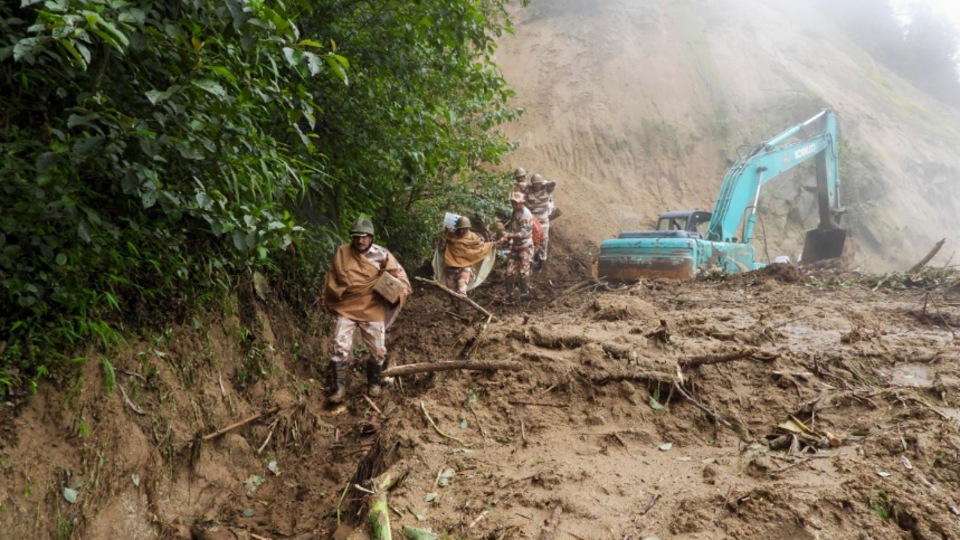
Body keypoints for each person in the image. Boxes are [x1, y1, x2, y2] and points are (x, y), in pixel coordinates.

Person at [322, 218, 411, 403]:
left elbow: (401, 279)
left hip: (372, 307)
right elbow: (333, 278)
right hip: (348, 306)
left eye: (364, 237)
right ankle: (339, 389)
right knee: (340, 347)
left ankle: (374, 382)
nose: (360, 241)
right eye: (356, 237)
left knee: (379, 352)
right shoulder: (342, 252)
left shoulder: (383, 255)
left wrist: (392, 287)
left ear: (371, 237)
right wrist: (341, 291)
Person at [439, 216, 495, 314]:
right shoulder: (450, 237)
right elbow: (441, 249)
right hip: (451, 268)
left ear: (468, 228)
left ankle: (463, 310)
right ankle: (455, 310)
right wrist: (444, 238)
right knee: (451, 292)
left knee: (462, 286)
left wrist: (491, 245)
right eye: (459, 229)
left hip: (465, 267)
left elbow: (479, 248)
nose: (461, 231)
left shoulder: (474, 237)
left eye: (464, 229)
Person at [500, 192, 535, 300]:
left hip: (525, 246)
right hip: (515, 246)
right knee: (509, 271)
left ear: (522, 203)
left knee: (523, 271)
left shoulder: (526, 215)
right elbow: (513, 227)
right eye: (512, 202)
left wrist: (509, 235)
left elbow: (523, 234)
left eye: (515, 203)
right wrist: (508, 237)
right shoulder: (515, 212)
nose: (513, 205)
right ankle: (509, 293)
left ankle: (525, 293)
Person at [524, 173, 557, 270]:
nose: (536, 186)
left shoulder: (547, 190)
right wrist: (530, 185)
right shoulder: (528, 190)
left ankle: (541, 264)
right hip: (531, 218)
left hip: (543, 219)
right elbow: (520, 185)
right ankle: (529, 261)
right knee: (529, 240)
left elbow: (554, 183)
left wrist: (544, 183)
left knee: (543, 240)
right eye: (534, 184)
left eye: (538, 184)